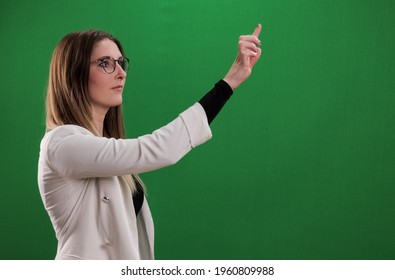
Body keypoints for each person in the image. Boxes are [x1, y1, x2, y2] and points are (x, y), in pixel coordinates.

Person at [38, 24, 262, 260]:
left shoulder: (107, 157)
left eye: (121, 62)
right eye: (105, 63)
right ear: (74, 74)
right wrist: (228, 84)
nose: (121, 73)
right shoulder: (60, 144)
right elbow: (160, 149)